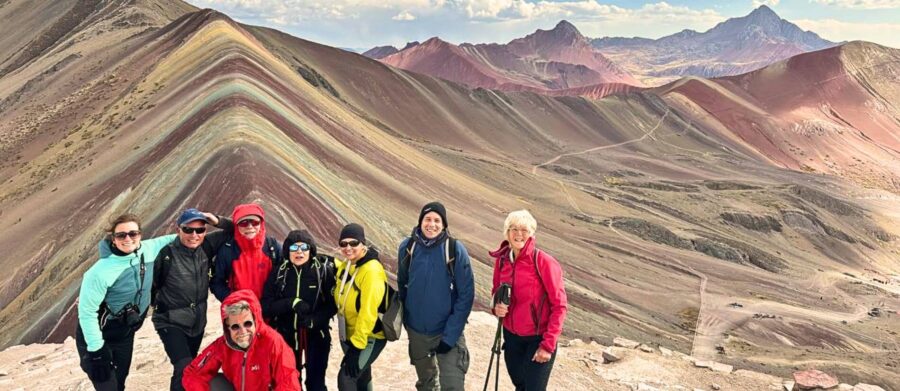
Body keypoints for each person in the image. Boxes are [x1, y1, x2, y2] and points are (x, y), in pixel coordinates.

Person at [76, 213, 177, 391]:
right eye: (121, 235)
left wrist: (214, 222)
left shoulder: (149, 249)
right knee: (107, 385)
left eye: (133, 233)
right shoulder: (99, 272)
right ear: (113, 239)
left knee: (120, 382)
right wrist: (96, 351)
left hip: (125, 333)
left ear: (140, 235)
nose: (128, 238)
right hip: (99, 336)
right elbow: (87, 313)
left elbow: (185, 237)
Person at [150, 209, 233, 391]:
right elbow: (152, 285)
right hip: (170, 322)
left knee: (186, 370)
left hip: (197, 323)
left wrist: (217, 220)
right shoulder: (166, 255)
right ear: (178, 229)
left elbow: (239, 228)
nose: (194, 235)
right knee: (185, 366)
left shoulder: (207, 246)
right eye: (188, 230)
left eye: (200, 230)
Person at [398, 202, 474, 391]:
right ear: (420, 221)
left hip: (447, 331)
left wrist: (450, 336)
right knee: (427, 385)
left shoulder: (454, 249)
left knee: (452, 386)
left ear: (444, 224)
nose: (432, 224)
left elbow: (466, 295)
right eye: (428, 219)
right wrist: (408, 321)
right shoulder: (408, 248)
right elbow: (403, 284)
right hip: (417, 333)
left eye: (437, 220)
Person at [489, 210, 568, 391]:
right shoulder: (502, 261)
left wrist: (547, 345)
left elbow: (560, 306)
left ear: (532, 233)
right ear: (507, 233)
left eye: (524, 229)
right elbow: (496, 293)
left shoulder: (543, 262)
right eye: (513, 229)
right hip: (511, 338)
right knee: (520, 385)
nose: (518, 234)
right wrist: (496, 308)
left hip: (538, 338)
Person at [262, 230, 337, 391]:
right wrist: (291, 303)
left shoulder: (322, 272)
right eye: (294, 248)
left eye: (304, 247)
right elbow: (266, 307)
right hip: (285, 336)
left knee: (315, 384)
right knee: (290, 383)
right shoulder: (279, 273)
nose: (299, 252)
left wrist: (314, 320)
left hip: (317, 335)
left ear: (311, 250)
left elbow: (332, 305)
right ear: (287, 250)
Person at [182, 289, 301, 390]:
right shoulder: (224, 344)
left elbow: (289, 383)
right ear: (227, 327)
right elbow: (193, 374)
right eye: (235, 326)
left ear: (256, 320)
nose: (243, 332)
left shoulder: (273, 342)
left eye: (247, 324)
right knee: (213, 381)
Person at [333, 223, 388, 391]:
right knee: (362, 377)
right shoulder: (349, 263)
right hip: (350, 334)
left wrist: (357, 347)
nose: (348, 248)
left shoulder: (371, 271)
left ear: (363, 244)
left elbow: (368, 312)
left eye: (353, 243)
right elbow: (343, 277)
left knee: (346, 378)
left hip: (369, 337)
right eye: (343, 244)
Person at [211, 203, 281, 301]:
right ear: (236, 226)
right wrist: (234, 301)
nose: (250, 226)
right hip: (241, 313)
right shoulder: (227, 251)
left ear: (262, 223)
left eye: (255, 222)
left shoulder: (273, 247)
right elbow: (217, 282)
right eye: (243, 223)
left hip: (271, 311)